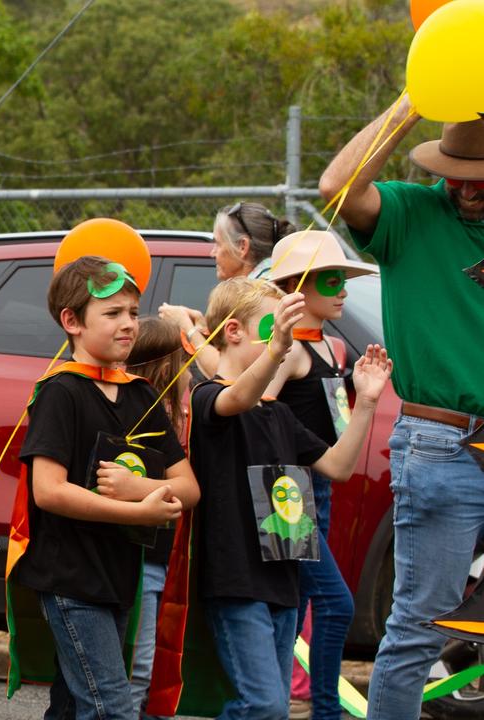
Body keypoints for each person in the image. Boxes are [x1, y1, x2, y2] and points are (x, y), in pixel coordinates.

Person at [320, 98, 484, 720]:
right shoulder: (410, 213)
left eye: (481, 175)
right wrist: (414, 102)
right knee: (421, 621)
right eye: (455, 170)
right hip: (441, 447)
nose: (466, 186)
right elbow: (337, 186)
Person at [189, 277, 389, 719]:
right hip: (235, 581)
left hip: (283, 578)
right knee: (262, 705)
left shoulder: (278, 414)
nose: (283, 339)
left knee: (274, 708)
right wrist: (279, 349)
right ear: (233, 332)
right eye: (272, 328)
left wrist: (369, 402)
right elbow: (237, 397)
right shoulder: (208, 398)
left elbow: (337, 466)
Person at [12, 256, 200, 720]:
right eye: (113, 314)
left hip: (119, 578)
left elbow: (189, 487)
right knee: (111, 706)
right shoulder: (61, 392)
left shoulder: (140, 394)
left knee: (74, 703)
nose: (129, 325)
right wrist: (138, 513)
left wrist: (139, 488)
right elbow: (48, 491)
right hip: (70, 579)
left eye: (133, 313)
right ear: (72, 322)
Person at [264, 230, 376, 720]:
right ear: (297, 286)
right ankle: (323, 711)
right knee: (335, 604)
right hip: (287, 495)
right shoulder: (287, 351)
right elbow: (256, 409)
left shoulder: (334, 348)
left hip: (322, 489)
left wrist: (357, 383)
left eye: (344, 279)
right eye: (332, 280)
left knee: (298, 605)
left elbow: (330, 411)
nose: (343, 290)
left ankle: (277, 701)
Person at [122, 317, 191, 718]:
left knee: (160, 670)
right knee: (138, 669)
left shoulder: (180, 414)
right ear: (169, 367)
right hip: (142, 560)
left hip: (170, 559)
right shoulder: (144, 417)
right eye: (186, 361)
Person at [158, 202, 295, 378]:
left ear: (242, 247)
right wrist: (206, 328)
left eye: (218, 243)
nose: (213, 253)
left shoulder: (260, 297)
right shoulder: (275, 283)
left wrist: (186, 327)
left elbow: (226, 374)